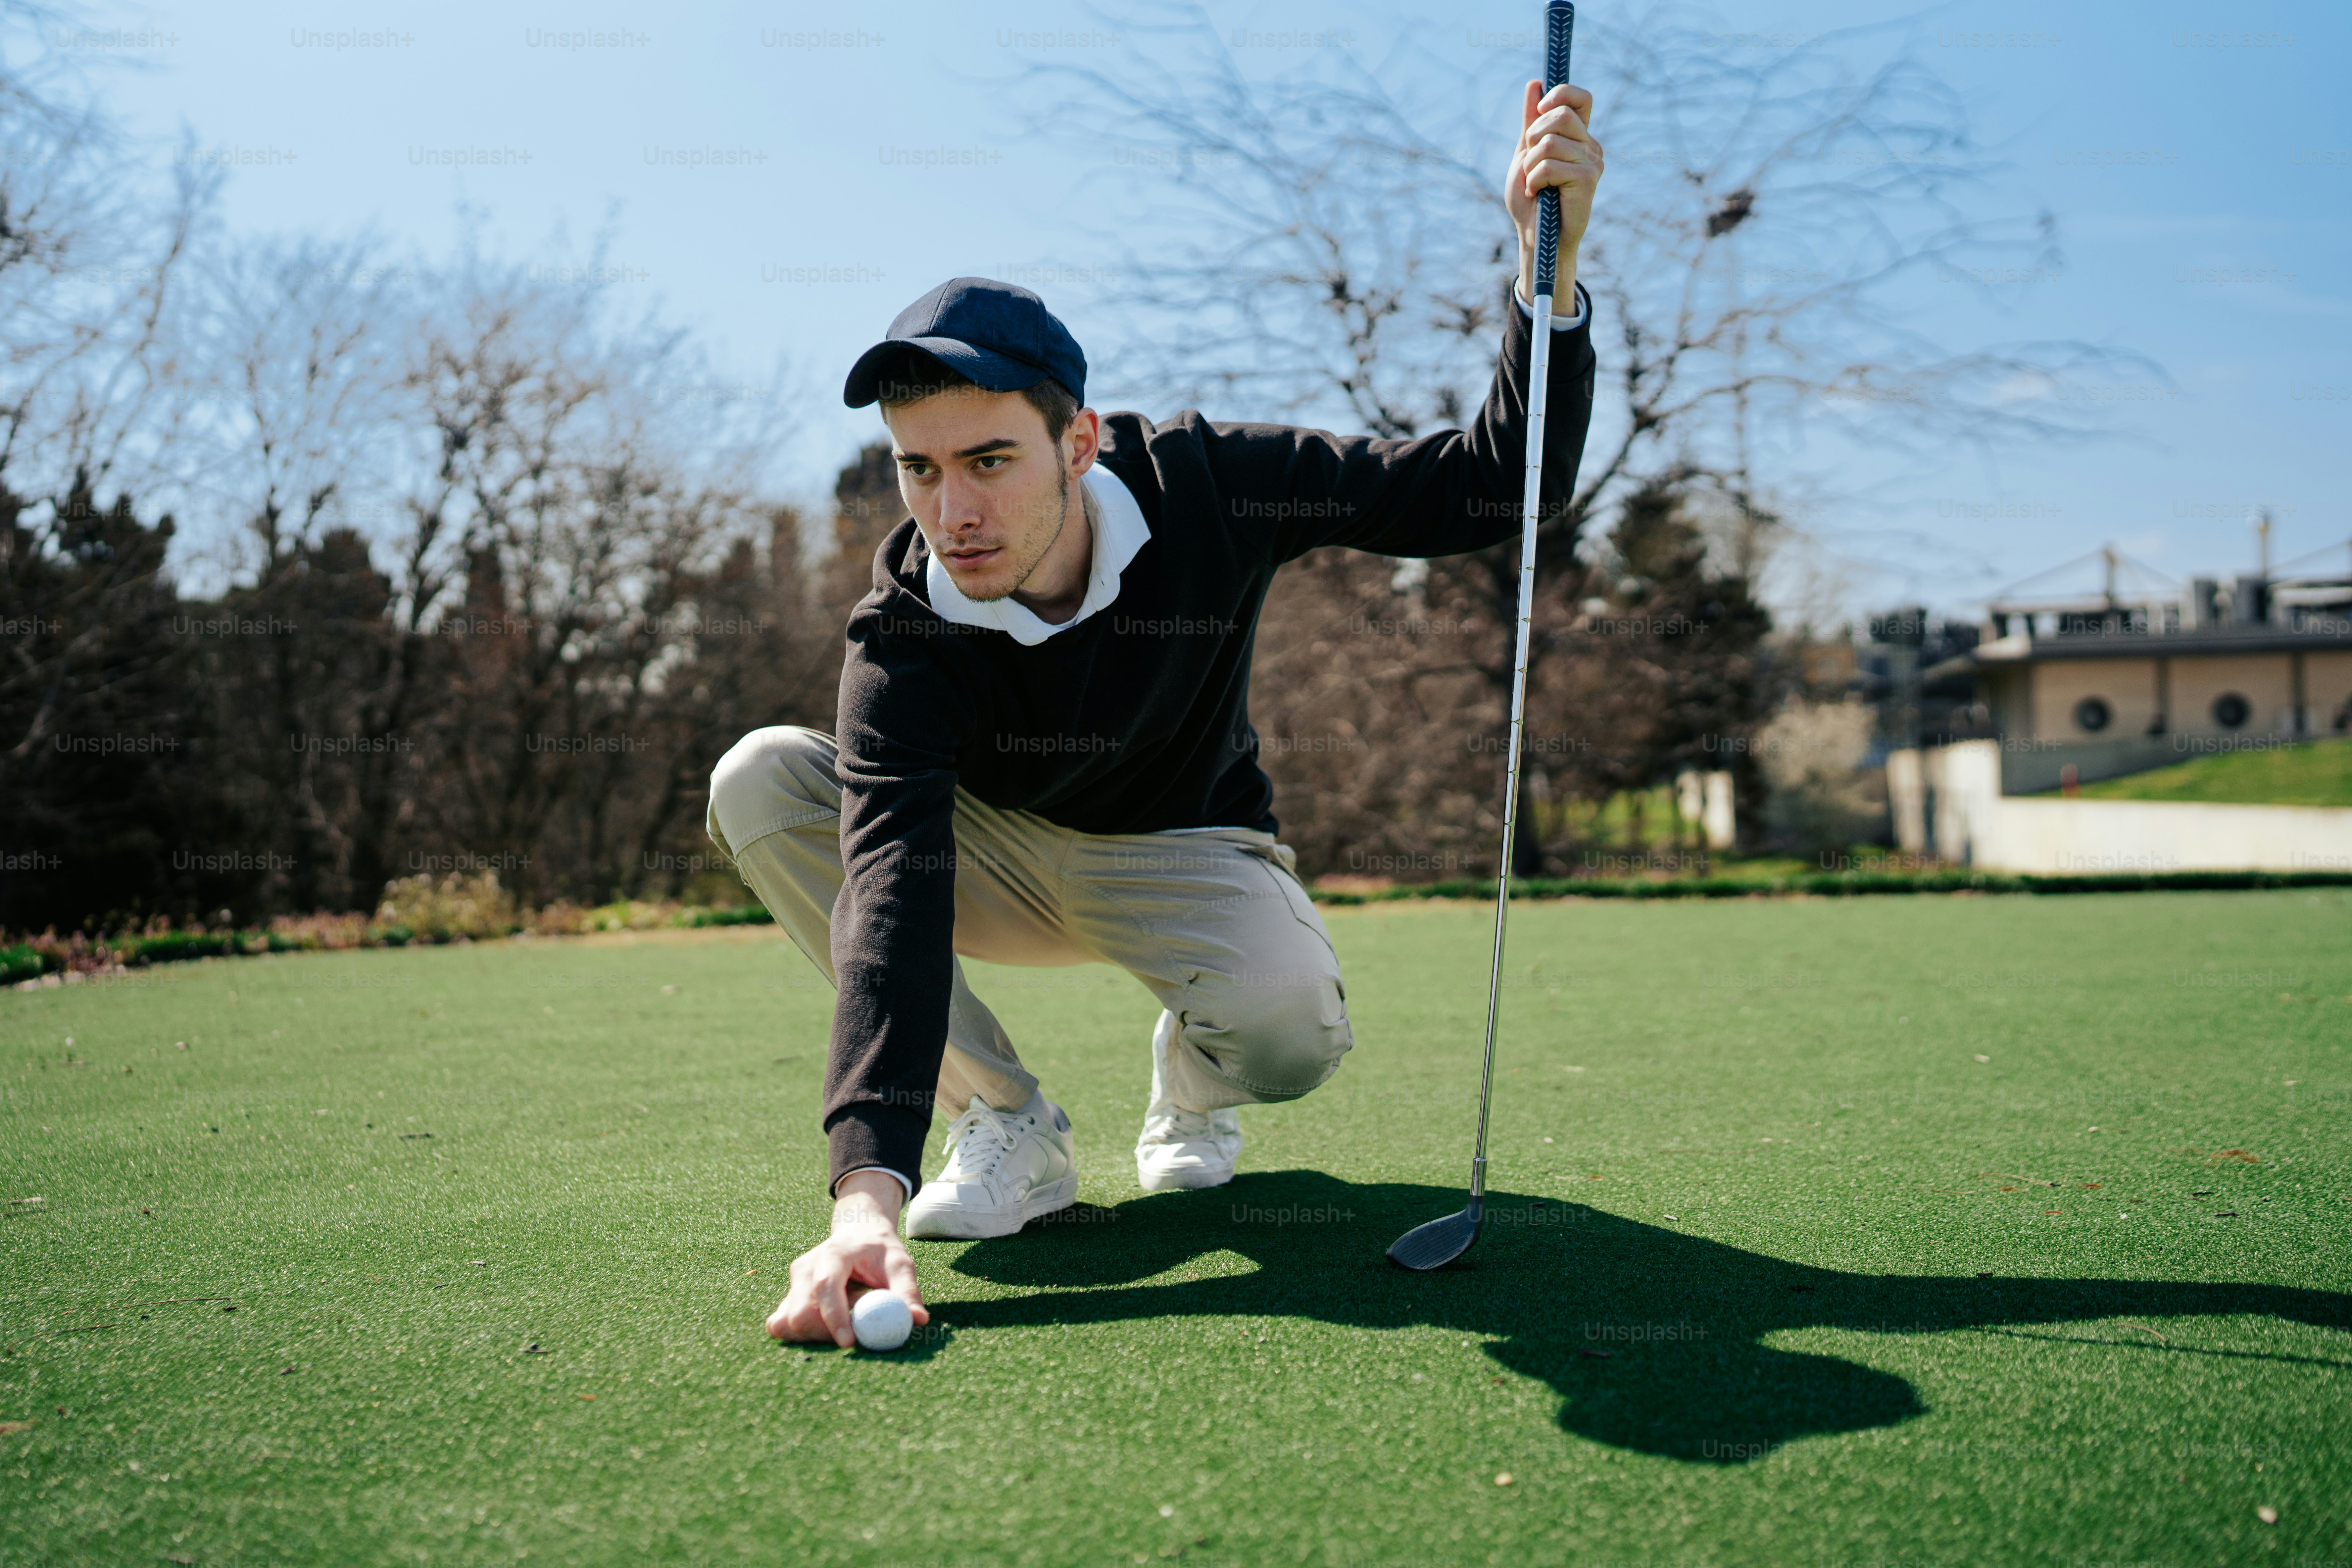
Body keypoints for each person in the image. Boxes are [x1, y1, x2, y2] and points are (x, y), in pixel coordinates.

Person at [707, 80, 1605, 1348]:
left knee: (1292, 1036)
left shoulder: (1212, 483)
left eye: (987, 462)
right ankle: (1007, 1121)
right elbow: (894, 896)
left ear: (1077, 444)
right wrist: (866, 1198)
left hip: (1183, 851)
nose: (950, 512)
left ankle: (1193, 1076)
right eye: (920, 469)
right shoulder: (901, 633)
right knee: (759, 776)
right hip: (996, 861)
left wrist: (1547, 278)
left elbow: (1492, 491)